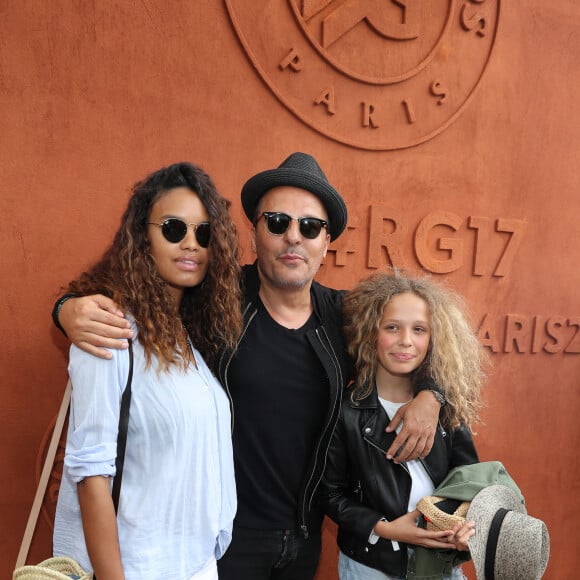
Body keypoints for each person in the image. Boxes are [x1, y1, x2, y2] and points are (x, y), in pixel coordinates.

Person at [52, 153, 444, 579]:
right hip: (222, 543)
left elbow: (411, 343)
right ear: (255, 233)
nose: (293, 237)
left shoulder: (346, 316)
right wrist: (67, 309)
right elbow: (139, 287)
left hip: (303, 540)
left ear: (326, 242)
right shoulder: (216, 300)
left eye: (309, 226)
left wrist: (432, 395)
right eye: (277, 222)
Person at [52, 162, 243, 580]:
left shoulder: (189, 336)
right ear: (143, 237)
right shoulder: (109, 328)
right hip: (137, 569)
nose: (191, 244)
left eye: (204, 233)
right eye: (174, 228)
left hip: (194, 565)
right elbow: (90, 475)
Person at [319, 271, 487, 580]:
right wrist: (384, 528)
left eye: (419, 329)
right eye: (392, 327)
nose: (406, 341)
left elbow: (469, 481)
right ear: (371, 333)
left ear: (433, 338)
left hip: (440, 565)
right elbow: (330, 494)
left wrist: (465, 526)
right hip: (372, 565)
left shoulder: (445, 407)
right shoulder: (346, 411)